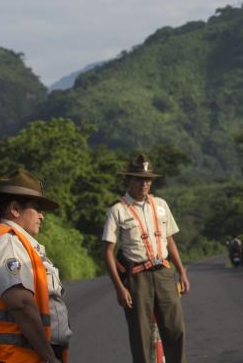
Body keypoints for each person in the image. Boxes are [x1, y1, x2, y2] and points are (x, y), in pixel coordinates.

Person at [0, 169, 71, 363]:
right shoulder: (7, 244)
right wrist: (49, 356)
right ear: (15, 209)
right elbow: (21, 304)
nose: (42, 216)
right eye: (37, 208)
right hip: (10, 357)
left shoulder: (16, 242)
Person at [102, 154, 189, 363]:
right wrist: (119, 288)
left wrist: (182, 273)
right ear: (129, 181)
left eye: (148, 179)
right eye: (139, 179)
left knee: (176, 329)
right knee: (141, 335)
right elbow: (108, 252)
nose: (144, 184)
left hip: (164, 274)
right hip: (137, 278)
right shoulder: (118, 210)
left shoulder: (160, 205)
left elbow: (170, 241)